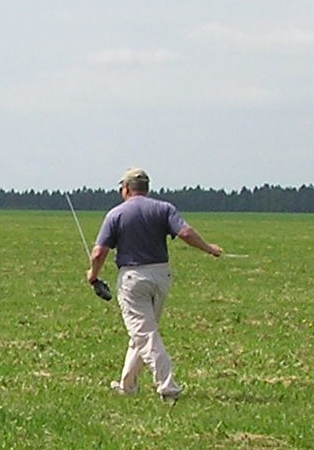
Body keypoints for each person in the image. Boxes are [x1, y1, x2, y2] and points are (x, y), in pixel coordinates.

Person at [86, 167, 222, 400]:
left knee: (145, 335)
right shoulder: (164, 209)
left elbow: (99, 253)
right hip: (161, 276)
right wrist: (209, 248)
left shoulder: (115, 214)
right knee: (142, 333)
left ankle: (168, 387)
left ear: (126, 189)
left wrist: (93, 275)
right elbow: (186, 233)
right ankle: (127, 385)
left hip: (132, 279)